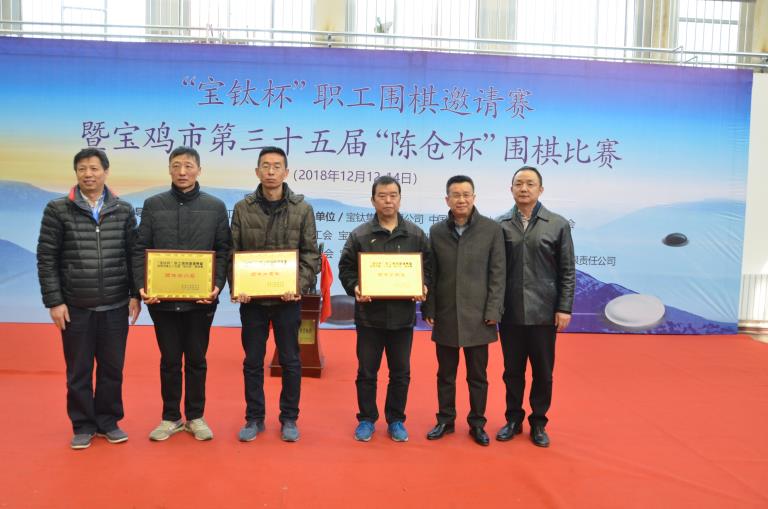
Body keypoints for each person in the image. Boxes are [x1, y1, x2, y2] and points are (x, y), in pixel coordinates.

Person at [37, 148, 141, 449]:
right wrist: (54, 301)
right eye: (82, 169)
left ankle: (108, 422)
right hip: (76, 307)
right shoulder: (58, 209)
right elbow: (47, 258)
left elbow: (133, 255)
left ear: (105, 172)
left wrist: (135, 294)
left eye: (94, 168)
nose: (88, 174)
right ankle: (83, 424)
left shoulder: (123, 209)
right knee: (79, 371)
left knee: (112, 370)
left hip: (115, 305)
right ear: (76, 173)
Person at [133, 146, 231, 442]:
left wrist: (217, 285)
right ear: (169, 170)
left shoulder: (215, 206)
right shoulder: (153, 204)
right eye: (176, 166)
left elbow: (223, 250)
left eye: (188, 165)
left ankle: (196, 416)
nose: (182, 172)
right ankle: (171, 417)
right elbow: (140, 248)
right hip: (162, 301)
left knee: (197, 359)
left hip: (200, 301)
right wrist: (142, 285)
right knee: (170, 360)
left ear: (199, 169)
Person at [230, 146, 319, 443]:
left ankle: (289, 418)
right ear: (257, 172)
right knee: (252, 361)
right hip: (253, 302)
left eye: (276, 166)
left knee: (291, 360)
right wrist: (237, 286)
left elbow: (310, 255)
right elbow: (233, 252)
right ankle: (254, 418)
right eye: (265, 166)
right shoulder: (242, 208)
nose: (270, 171)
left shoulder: (302, 209)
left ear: (286, 172)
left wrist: (298, 286)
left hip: (286, 301)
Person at [338, 176, 430, 443]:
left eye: (393, 195)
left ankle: (396, 419)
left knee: (400, 373)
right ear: (373, 200)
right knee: (367, 372)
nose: (388, 201)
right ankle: (366, 418)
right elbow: (346, 269)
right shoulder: (360, 235)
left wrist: (423, 285)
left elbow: (429, 268)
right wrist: (355, 287)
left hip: (402, 318)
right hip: (369, 318)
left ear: (400, 199)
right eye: (382, 196)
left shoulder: (415, 234)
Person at [421, 175, 505, 446]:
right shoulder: (436, 232)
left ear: (474, 198)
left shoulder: (491, 230)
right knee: (445, 374)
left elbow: (498, 274)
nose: (461, 200)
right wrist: (429, 307)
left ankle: (477, 423)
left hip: (479, 316)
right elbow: (431, 273)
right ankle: (445, 420)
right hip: (446, 313)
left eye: (466, 194)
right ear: (447, 200)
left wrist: (493, 310)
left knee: (478, 376)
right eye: (455, 195)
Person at [496, 166, 575, 448]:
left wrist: (564, 308)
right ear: (511, 189)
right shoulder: (500, 224)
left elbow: (567, 270)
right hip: (510, 313)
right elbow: (495, 271)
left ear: (540, 189)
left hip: (544, 313)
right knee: (512, 372)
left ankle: (539, 422)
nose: (524, 188)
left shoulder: (557, 224)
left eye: (530, 184)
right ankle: (513, 419)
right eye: (519, 183)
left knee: (542, 372)